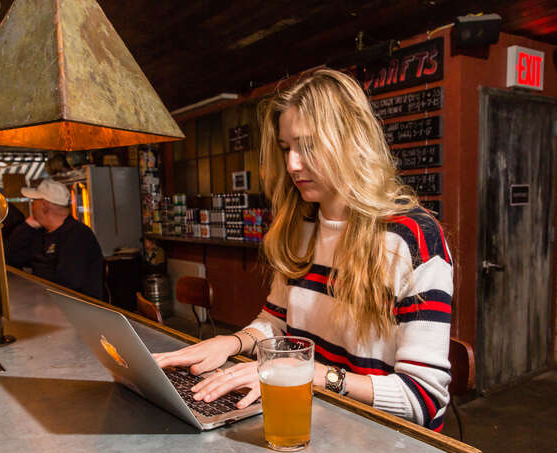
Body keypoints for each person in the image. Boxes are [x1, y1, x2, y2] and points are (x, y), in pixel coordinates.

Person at [155, 69, 453, 431]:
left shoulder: (411, 238)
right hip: (315, 421)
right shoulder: (300, 228)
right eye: (287, 149)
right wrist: (229, 343)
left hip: (382, 440)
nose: (293, 164)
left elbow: (423, 402)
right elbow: (276, 322)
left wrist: (309, 374)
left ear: (352, 141)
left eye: (309, 146)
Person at [5, 179, 105, 300]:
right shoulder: (41, 234)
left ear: (44, 206)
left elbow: (69, 282)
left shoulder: (77, 235)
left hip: (75, 312)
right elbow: (13, 259)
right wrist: (27, 226)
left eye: (34, 201)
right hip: (48, 307)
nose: (32, 205)